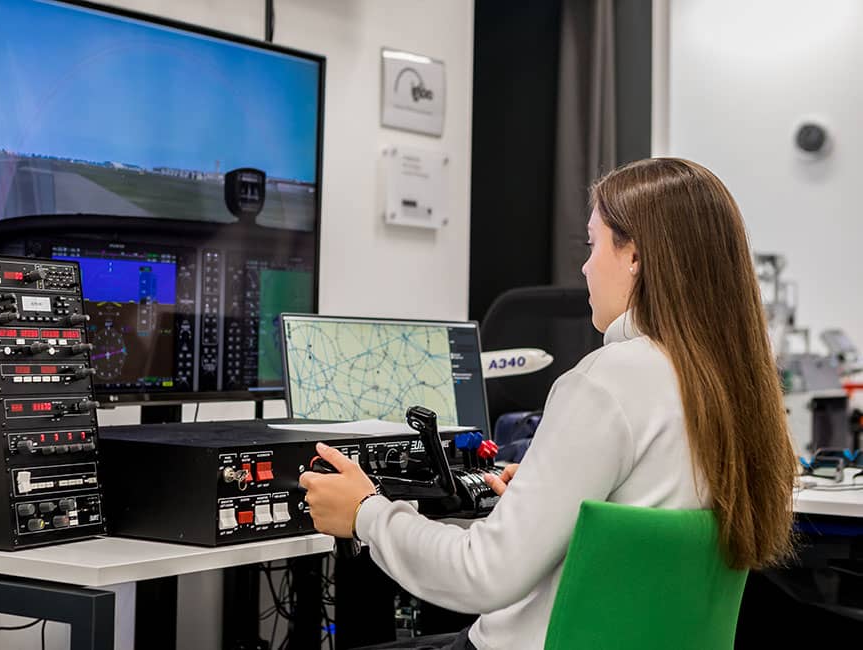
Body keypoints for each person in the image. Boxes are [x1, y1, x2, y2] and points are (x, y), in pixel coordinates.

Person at [299, 158, 797, 650]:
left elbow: (482, 574)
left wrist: (366, 513)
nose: (584, 266)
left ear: (635, 257)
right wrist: (546, 489)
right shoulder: (733, 385)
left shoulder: (608, 381)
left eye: (592, 243)